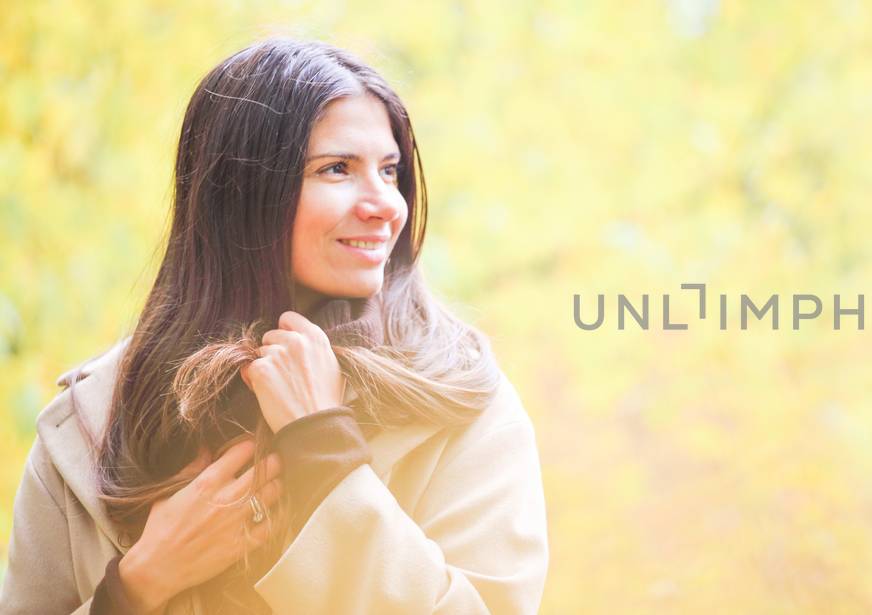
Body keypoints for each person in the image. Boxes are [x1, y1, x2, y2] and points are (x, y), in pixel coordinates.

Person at [0, 38, 549, 614]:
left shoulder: (459, 405)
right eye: (337, 169)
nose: (386, 204)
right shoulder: (92, 422)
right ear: (237, 192)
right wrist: (137, 586)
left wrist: (324, 451)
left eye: (389, 171)